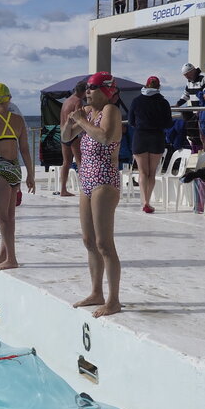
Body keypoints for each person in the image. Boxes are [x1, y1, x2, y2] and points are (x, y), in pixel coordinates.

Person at [61, 72, 123, 318]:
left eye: (93, 88)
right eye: (87, 88)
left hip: (104, 179)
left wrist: (82, 121)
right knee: (88, 241)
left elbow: (105, 137)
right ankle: (96, 292)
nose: (87, 92)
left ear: (106, 90)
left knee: (104, 243)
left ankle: (114, 300)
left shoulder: (110, 111)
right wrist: (70, 121)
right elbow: (66, 138)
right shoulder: (87, 113)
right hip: (86, 177)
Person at [0, 83, 35, 270]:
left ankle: (11, 258)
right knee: (9, 217)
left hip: (0, 168)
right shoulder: (18, 120)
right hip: (14, 169)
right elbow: (25, 150)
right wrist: (31, 175)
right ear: (9, 98)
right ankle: (4, 254)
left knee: (0, 217)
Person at [130, 76, 173, 213]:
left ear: (146, 85)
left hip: (140, 136)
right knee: (152, 173)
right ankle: (148, 201)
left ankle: (144, 202)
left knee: (143, 172)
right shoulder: (163, 102)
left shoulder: (137, 101)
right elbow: (168, 123)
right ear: (158, 87)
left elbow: (131, 121)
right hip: (156, 137)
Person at [176, 62, 205, 151]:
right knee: (196, 137)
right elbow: (186, 95)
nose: (187, 77)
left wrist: (201, 108)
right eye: (185, 75)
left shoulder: (204, 77)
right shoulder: (189, 82)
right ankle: (199, 153)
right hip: (196, 114)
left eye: (188, 74)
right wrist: (177, 105)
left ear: (193, 71)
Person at [58, 80, 86, 196]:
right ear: (83, 92)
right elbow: (79, 119)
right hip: (74, 134)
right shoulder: (78, 101)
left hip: (64, 134)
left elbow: (62, 120)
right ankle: (84, 189)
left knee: (66, 162)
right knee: (80, 161)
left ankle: (63, 189)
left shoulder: (66, 101)